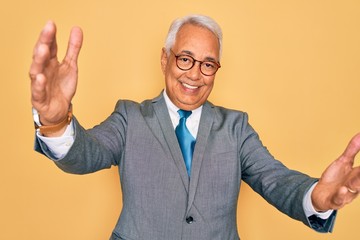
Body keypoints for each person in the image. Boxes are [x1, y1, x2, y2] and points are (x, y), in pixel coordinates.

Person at [29, 14, 360, 240]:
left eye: (208, 64)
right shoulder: (130, 118)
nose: (194, 74)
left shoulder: (236, 127)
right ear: (165, 59)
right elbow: (86, 155)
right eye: (184, 59)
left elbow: (274, 179)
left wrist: (316, 196)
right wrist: (55, 120)